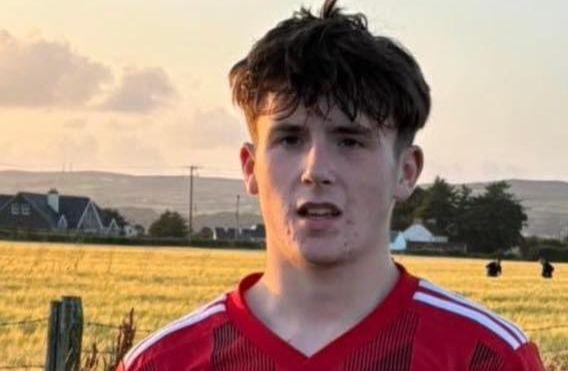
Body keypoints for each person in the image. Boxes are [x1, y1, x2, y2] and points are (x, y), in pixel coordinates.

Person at [119, 1, 544, 369]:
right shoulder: (163, 362)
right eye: (289, 139)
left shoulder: (485, 357)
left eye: (349, 140)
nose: (315, 169)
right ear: (250, 167)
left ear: (406, 171)